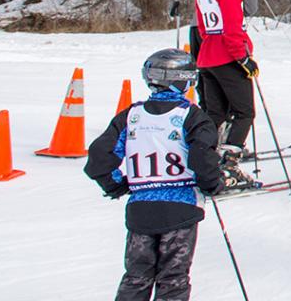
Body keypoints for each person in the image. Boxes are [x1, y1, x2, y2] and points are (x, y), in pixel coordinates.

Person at [84, 49, 225, 301]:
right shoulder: (192, 116)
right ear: (184, 81)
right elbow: (202, 156)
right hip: (180, 208)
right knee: (173, 278)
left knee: (136, 276)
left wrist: (117, 184)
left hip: (142, 209)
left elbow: (99, 157)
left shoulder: (132, 116)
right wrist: (212, 183)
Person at [195, 0, 260, 159]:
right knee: (245, 112)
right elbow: (232, 29)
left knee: (216, 112)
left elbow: (203, 28)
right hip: (228, 57)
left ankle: (204, 155)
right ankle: (229, 159)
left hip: (207, 56)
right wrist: (243, 58)